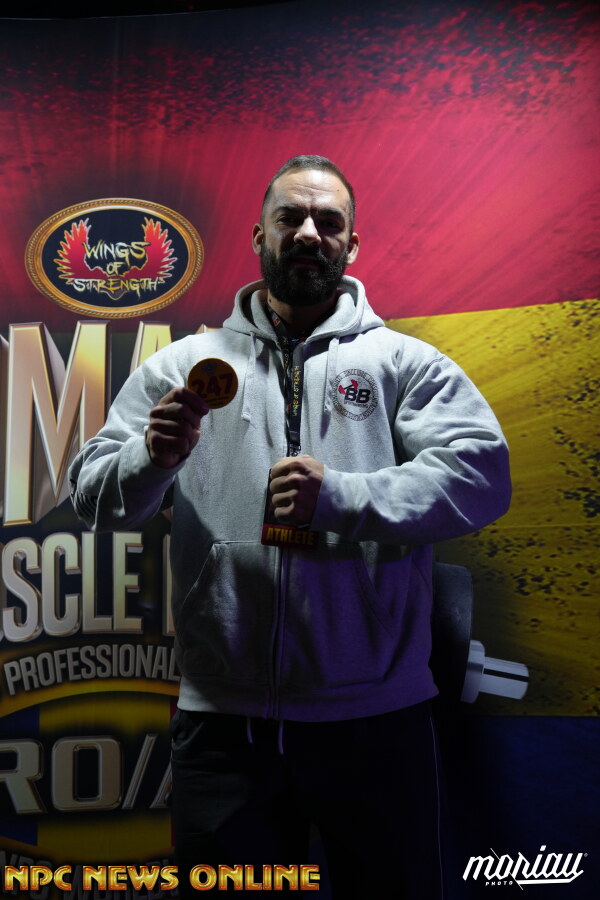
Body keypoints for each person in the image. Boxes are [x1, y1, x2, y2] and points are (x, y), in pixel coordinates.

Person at [70, 155, 511, 898]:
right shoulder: (183, 367)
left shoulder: (404, 364)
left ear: (351, 244)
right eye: (290, 218)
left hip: (376, 720)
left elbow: (482, 477)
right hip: (224, 726)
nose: (308, 233)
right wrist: (151, 458)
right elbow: (93, 498)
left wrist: (342, 497)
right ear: (259, 236)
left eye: (328, 221)